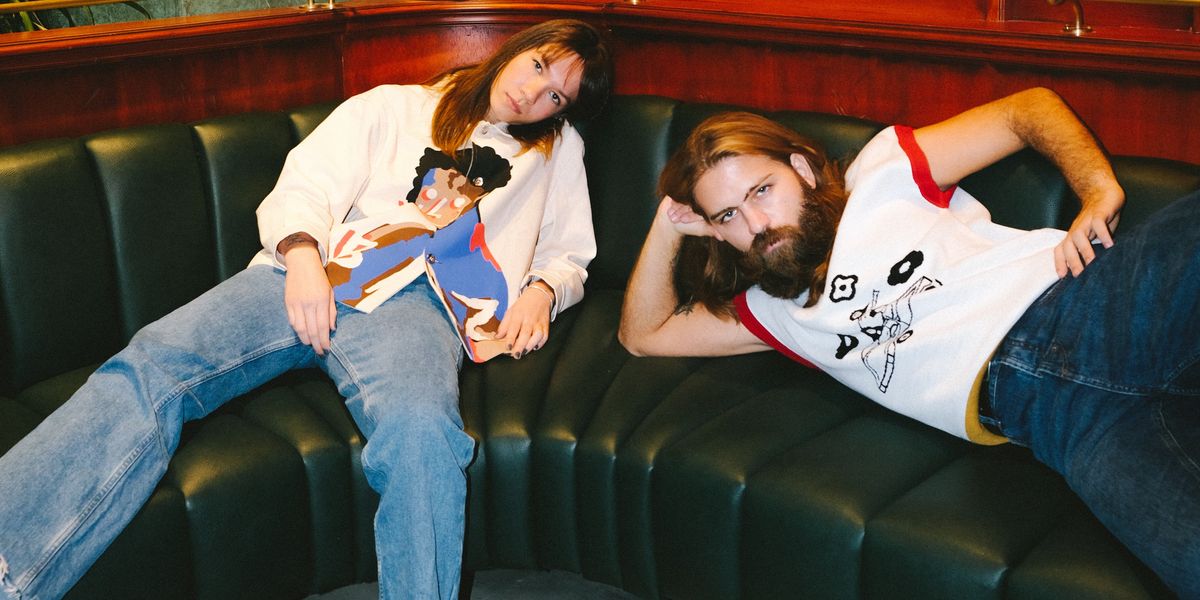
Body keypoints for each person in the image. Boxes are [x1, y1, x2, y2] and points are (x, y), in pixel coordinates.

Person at [0, 18, 611, 600]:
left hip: (419, 308)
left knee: (423, 435)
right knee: (153, 363)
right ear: (514, 49)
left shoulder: (556, 154)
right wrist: (301, 259)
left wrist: (543, 291)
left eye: (556, 97)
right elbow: (307, 186)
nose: (533, 94)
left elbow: (569, 254)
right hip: (313, 269)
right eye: (536, 67)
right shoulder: (391, 106)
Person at [619, 87, 1199, 597]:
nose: (755, 224)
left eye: (762, 190)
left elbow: (1029, 109)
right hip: (1063, 424)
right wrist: (667, 223)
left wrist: (1097, 191)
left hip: (1095, 303)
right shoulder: (773, 315)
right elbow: (643, 334)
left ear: (801, 168)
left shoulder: (882, 172)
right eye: (726, 216)